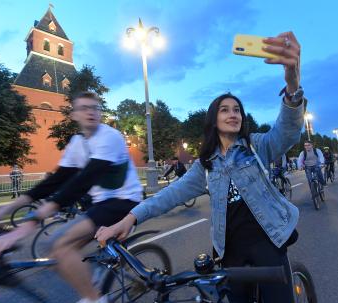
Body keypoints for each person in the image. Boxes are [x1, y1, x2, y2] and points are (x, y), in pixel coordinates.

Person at [96, 31, 304, 303]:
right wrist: (127, 220)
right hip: (229, 251)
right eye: (225, 110)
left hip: (269, 240)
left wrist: (292, 87)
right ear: (213, 120)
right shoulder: (205, 166)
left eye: (237, 110)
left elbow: (287, 131)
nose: (233, 114)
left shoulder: (256, 146)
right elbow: (167, 197)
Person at [0, 91, 143, 303]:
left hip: (125, 201)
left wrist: (29, 224)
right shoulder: (76, 143)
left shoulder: (109, 137)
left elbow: (82, 182)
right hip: (101, 203)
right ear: (74, 115)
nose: (91, 112)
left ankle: (94, 299)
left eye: (95, 108)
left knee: (62, 246)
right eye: (84, 108)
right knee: (54, 248)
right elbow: (53, 183)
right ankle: (92, 287)